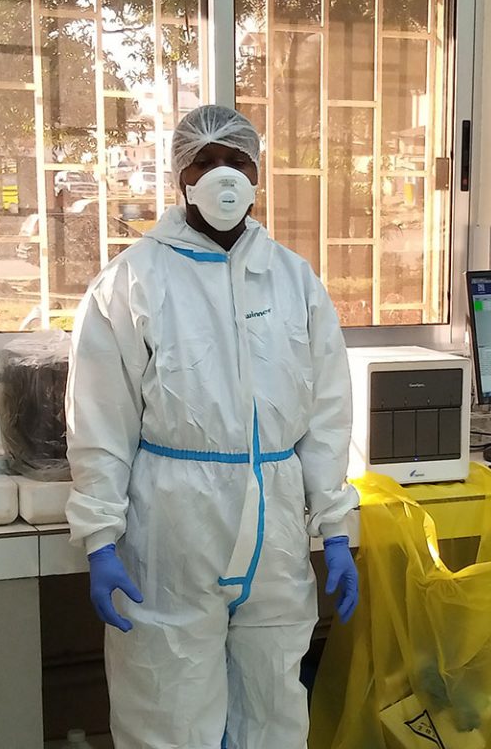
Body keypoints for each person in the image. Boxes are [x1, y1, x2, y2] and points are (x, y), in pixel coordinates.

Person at [66, 105, 360, 749]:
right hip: (174, 525)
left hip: (275, 526)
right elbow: (100, 422)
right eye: (206, 162)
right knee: (167, 712)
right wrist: (99, 538)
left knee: (275, 707)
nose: (224, 176)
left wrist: (336, 526)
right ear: (181, 176)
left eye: (238, 162)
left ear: (257, 174)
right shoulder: (132, 280)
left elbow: (327, 413)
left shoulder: (294, 279)